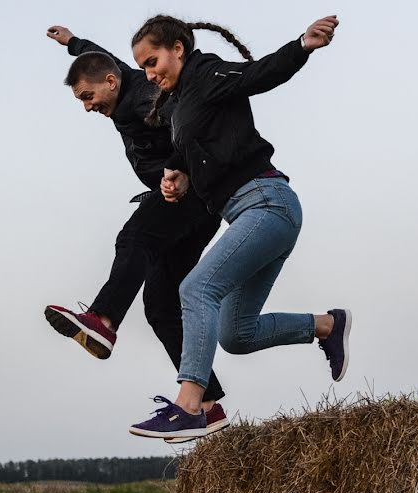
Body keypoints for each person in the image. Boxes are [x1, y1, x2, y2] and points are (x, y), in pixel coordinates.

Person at [126, 15, 352, 440]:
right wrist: (177, 174)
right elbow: (201, 150)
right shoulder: (179, 104)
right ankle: (326, 325)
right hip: (255, 213)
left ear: (178, 48)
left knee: (195, 289)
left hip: (267, 204)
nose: (149, 73)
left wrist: (302, 44)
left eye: (152, 61)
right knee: (237, 334)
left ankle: (190, 406)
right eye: (142, 68)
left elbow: (258, 74)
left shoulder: (208, 72)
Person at [44, 25, 230, 441]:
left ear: (110, 83)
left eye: (87, 97)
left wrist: (181, 169)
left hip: (186, 194)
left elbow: (184, 115)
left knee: (134, 239)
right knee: (162, 306)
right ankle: (209, 404)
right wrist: (73, 43)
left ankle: (104, 319)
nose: (87, 108)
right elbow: (99, 56)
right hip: (196, 208)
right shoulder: (122, 78)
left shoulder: (145, 96)